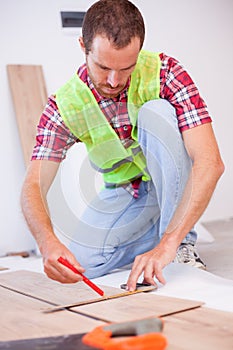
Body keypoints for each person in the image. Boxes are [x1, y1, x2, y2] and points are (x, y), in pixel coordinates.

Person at [21, 0, 224, 291]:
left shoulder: (166, 72)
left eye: (126, 67)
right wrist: (48, 242)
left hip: (173, 183)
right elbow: (33, 186)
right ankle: (161, 234)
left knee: (158, 112)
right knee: (81, 262)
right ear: (83, 46)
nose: (115, 81)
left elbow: (210, 163)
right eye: (103, 67)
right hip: (129, 193)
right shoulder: (64, 105)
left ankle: (179, 244)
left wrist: (169, 245)